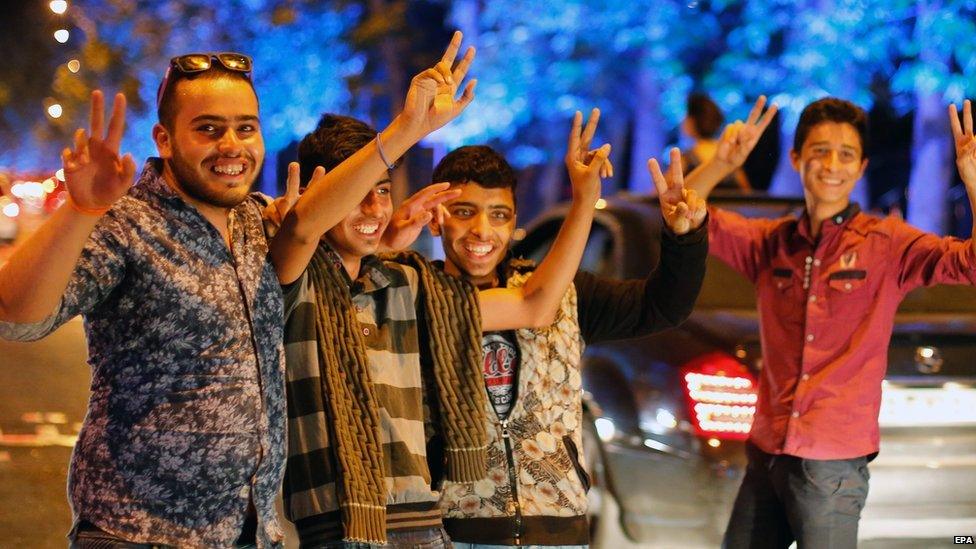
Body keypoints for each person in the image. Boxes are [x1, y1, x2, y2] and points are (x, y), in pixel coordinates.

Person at [268, 34, 613, 548]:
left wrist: (584, 200)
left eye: (382, 193)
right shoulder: (293, 282)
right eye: (357, 194)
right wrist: (408, 128)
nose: (373, 209)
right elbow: (301, 230)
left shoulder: (405, 282)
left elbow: (532, 303)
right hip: (337, 529)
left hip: (422, 524)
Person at [0, 53, 286, 547]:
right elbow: (17, 316)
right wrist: (81, 207)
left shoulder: (258, 222)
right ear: (165, 140)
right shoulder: (126, 224)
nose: (231, 146)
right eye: (209, 129)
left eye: (246, 128)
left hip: (250, 529)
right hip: (137, 532)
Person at [676, 95, 976, 548]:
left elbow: (970, 264)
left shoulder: (888, 243)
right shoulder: (771, 242)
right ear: (797, 159)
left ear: (861, 167)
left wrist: (973, 180)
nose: (832, 164)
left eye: (846, 154)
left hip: (833, 466)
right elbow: (681, 215)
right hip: (766, 454)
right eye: (819, 150)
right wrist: (721, 162)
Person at [428, 121, 710, 546]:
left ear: (514, 222)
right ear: (437, 219)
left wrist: (683, 239)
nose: (483, 231)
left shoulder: (565, 294)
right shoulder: (413, 298)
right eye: (464, 212)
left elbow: (661, 307)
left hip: (558, 527)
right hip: (454, 531)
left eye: (499, 214)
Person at [681, 92, 751, 192]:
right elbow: (747, 193)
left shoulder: (685, 159)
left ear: (692, 121)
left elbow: (660, 197)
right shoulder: (731, 155)